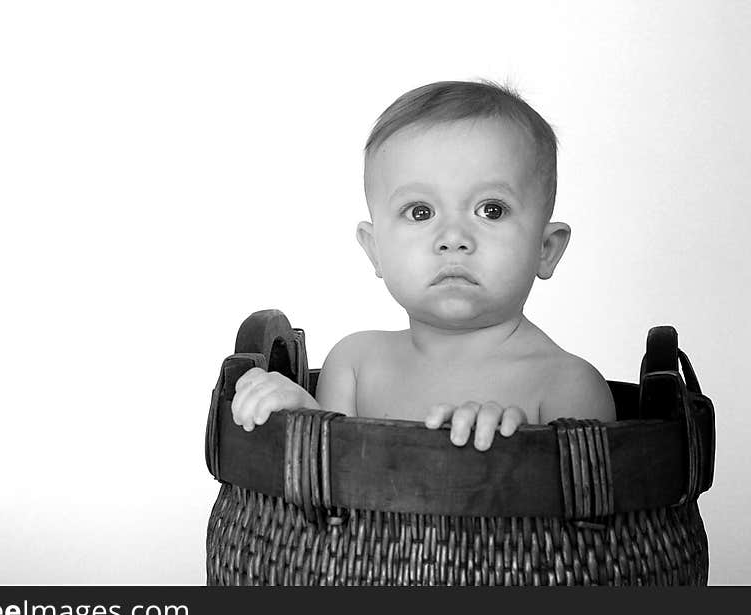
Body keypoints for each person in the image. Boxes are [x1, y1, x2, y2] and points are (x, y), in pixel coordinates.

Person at [231, 80, 616, 451]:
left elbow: (591, 504)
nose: (453, 237)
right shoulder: (356, 364)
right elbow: (329, 491)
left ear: (546, 248)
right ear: (375, 250)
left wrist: (513, 459)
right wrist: (300, 415)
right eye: (420, 212)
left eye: (491, 210)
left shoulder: (567, 386)